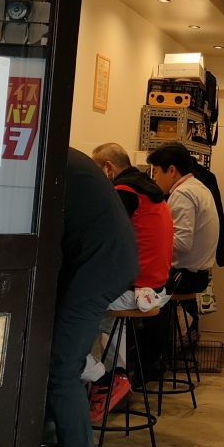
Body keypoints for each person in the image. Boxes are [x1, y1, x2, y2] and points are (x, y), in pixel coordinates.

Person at [37, 148, 139, 447]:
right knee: (56, 360)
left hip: (98, 267)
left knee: (61, 368)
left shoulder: (41, 156)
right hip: (103, 262)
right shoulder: (60, 155)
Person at [86, 143, 173, 398]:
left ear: (108, 168)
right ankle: (115, 379)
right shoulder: (149, 190)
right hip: (156, 287)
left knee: (75, 312)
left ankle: (105, 380)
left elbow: (104, 239)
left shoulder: (123, 192)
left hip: (135, 289)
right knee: (105, 319)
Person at [143, 143, 219, 377]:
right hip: (196, 275)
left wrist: (149, 243)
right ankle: (154, 359)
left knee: (142, 294)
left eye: (156, 171)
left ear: (172, 170)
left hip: (184, 276)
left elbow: (182, 242)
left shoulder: (183, 193)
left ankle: (150, 365)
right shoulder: (199, 187)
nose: (154, 178)